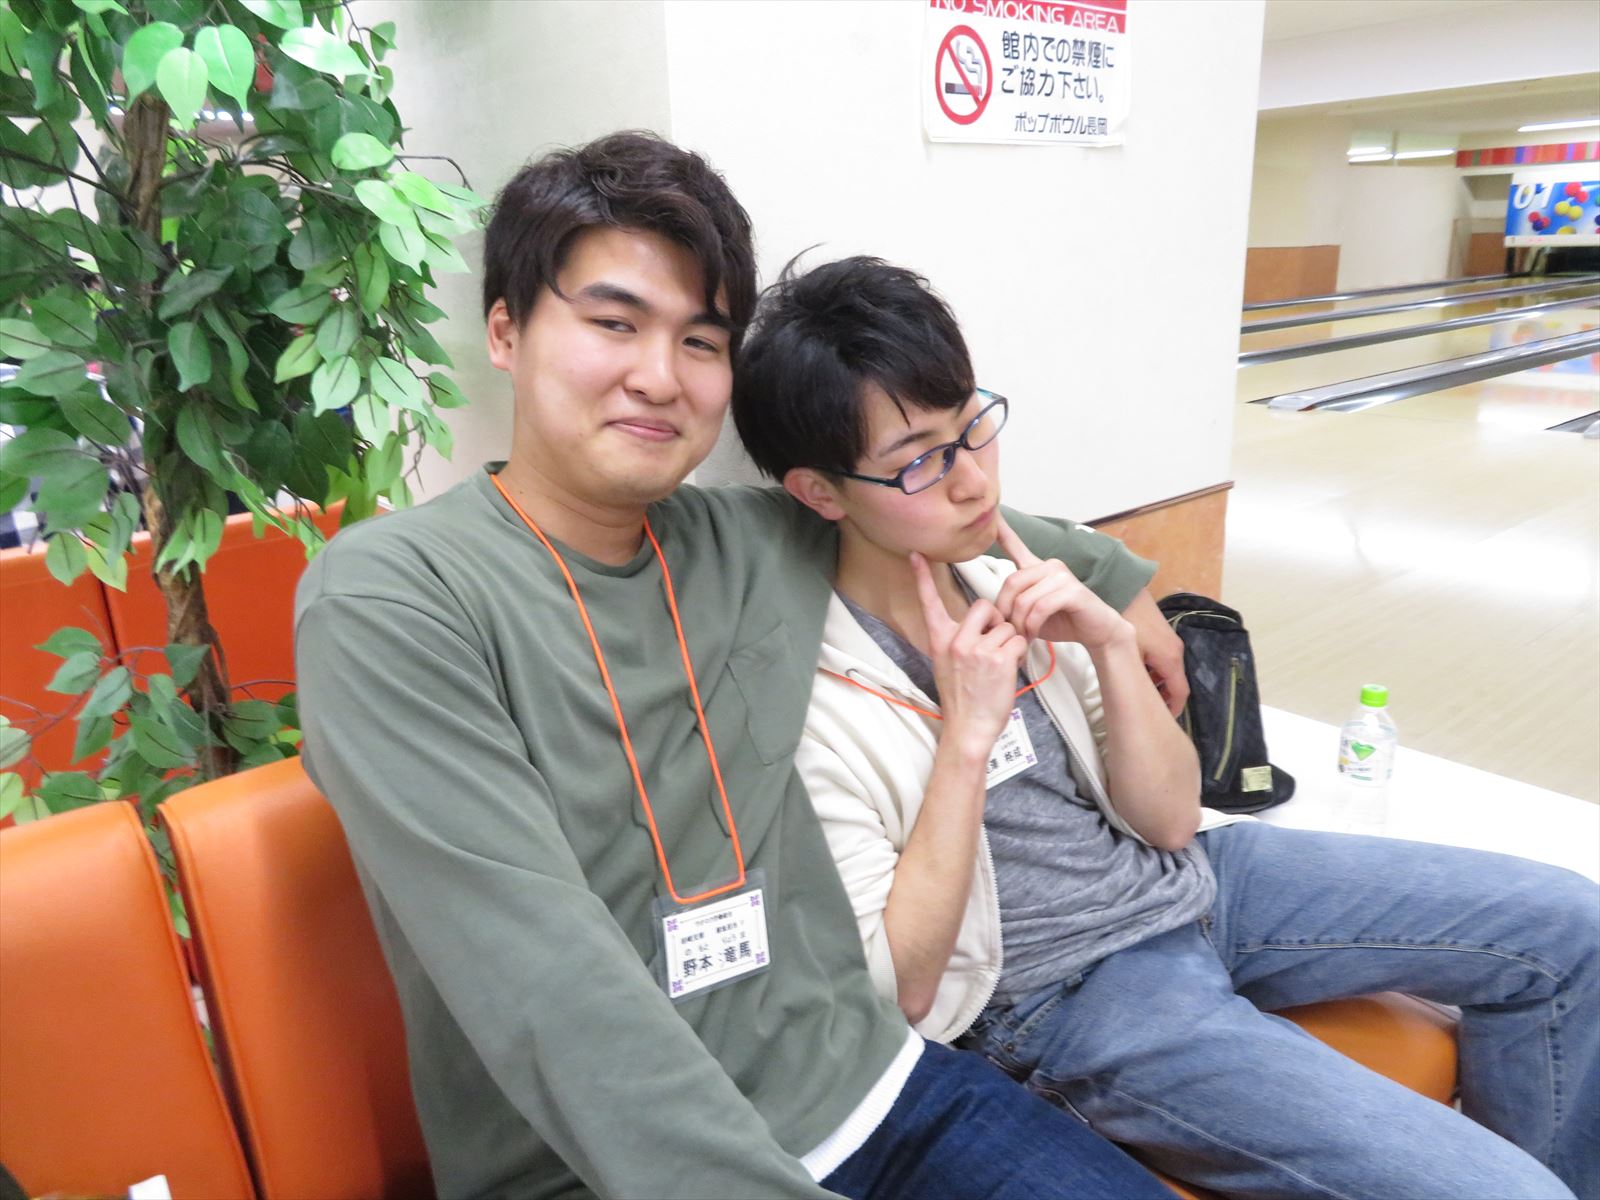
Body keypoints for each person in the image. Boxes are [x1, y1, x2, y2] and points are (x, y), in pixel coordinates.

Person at [294, 132, 1182, 1199]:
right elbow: (548, 994)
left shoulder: (743, 541)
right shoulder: (393, 597)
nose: (658, 377)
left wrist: (1123, 588)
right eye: (614, 323)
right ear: (506, 330)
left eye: (701, 341)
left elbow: (924, 500)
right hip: (595, 1172)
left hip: (876, 1086)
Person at [731, 254, 1600, 1200]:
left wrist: (1110, 644)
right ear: (821, 493)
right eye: (921, 460)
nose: (974, 480)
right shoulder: (809, 697)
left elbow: (1173, 820)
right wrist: (967, 737)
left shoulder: (1002, 578)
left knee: (1571, 925)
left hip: (1200, 880)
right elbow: (902, 988)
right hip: (1072, 987)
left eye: (972, 427)